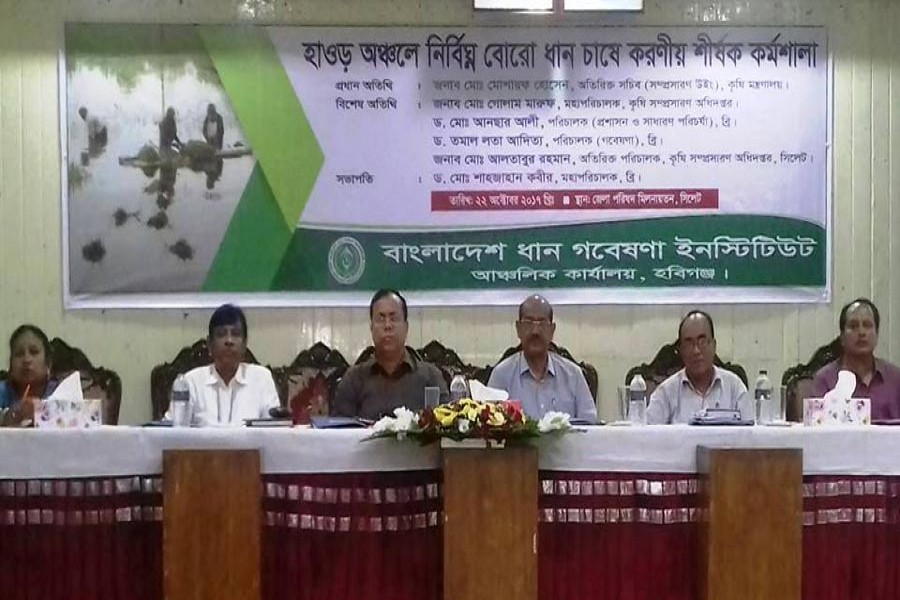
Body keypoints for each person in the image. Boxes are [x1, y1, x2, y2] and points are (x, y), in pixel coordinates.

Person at [332, 289, 446, 421]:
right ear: (371, 328)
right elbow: (339, 434)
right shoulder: (354, 379)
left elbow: (444, 429)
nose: (387, 326)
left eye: (394, 318)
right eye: (381, 319)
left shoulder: (431, 378)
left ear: (406, 327)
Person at [488, 295, 597, 422]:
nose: (535, 331)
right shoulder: (501, 375)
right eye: (528, 323)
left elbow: (591, 426)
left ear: (552, 330)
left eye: (542, 323)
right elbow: (490, 430)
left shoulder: (573, 375)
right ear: (518, 328)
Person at [175, 304, 279, 426]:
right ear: (209, 344)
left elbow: (274, 431)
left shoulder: (261, 378)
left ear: (245, 343)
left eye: (235, 334)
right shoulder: (191, 381)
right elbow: (171, 429)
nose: (229, 341)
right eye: (221, 334)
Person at [647, 311, 752, 424]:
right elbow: (647, 437)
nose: (696, 351)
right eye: (689, 343)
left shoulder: (734, 388)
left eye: (702, 341)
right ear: (681, 350)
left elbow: (750, 436)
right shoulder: (665, 393)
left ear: (714, 345)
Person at [811, 298, 900, 420]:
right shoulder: (825, 380)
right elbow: (815, 431)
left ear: (877, 334)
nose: (861, 332)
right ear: (842, 337)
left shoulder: (895, 379)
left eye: (867, 325)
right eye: (853, 326)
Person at [0, 325, 58, 427]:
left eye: (34, 352)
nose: (27, 360)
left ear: (48, 363)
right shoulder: (2, 392)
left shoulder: (59, 393)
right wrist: (6, 417)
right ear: (11, 364)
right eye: (19, 354)